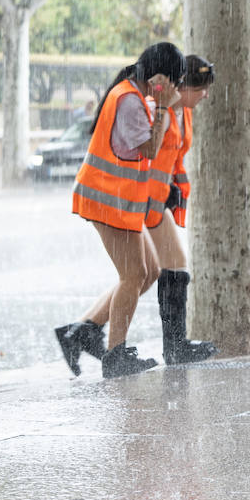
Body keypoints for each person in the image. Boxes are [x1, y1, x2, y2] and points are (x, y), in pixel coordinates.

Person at [54, 42, 185, 378]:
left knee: (150, 271)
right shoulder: (128, 100)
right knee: (133, 276)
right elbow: (151, 149)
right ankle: (116, 356)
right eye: (174, 81)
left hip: (119, 202)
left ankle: (82, 332)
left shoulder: (135, 95)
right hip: (106, 200)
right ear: (159, 78)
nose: (176, 90)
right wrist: (163, 109)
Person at [144, 54, 220, 365]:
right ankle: (175, 347)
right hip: (145, 196)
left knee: (143, 274)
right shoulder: (158, 108)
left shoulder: (183, 113)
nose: (205, 95)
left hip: (159, 196)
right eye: (201, 88)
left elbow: (174, 157)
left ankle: (86, 330)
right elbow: (147, 151)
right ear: (184, 86)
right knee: (163, 268)